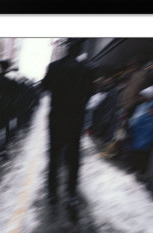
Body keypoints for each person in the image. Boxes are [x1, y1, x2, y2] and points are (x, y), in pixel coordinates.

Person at [41, 38, 93, 206]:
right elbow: (91, 91)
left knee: (54, 157)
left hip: (56, 117)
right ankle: (71, 194)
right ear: (79, 51)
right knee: (73, 157)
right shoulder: (86, 70)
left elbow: (44, 87)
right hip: (76, 118)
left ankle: (51, 194)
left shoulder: (54, 67)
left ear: (66, 49)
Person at [0, 60, 17, 158]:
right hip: (7, 107)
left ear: (0, 68)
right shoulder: (10, 80)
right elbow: (15, 94)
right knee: (5, 128)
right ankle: (4, 148)